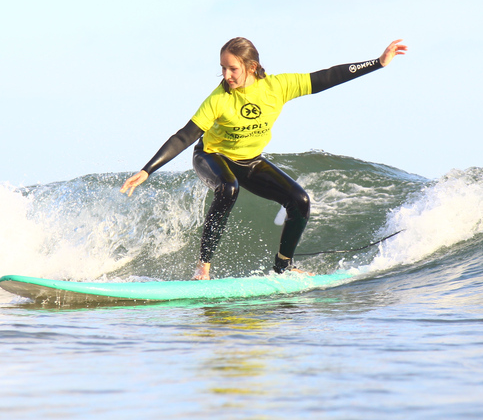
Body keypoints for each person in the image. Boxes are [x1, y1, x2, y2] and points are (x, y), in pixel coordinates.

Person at [121, 37, 407, 280]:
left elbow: (328, 77)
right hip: (211, 155)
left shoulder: (277, 87)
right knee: (228, 188)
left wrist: (378, 62)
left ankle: (283, 266)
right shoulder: (219, 98)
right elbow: (185, 135)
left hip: (249, 160)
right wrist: (148, 170)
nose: (226, 76)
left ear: (251, 67)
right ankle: (203, 268)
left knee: (300, 201)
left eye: (232, 69)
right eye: (222, 69)